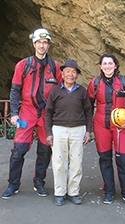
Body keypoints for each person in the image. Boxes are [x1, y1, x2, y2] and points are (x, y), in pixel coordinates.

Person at [2, 28, 62, 199]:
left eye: (45, 43)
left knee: (45, 150)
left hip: (46, 113)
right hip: (27, 111)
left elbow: (59, 91)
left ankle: (39, 182)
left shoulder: (54, 66)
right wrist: (14, 113)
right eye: (39, 42)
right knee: (18, 150)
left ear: (48, 45)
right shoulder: (23, 65)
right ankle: (13, 184)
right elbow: (15, 90)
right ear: (34, 44)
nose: (42, 45)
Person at [87, 53, 125, 208]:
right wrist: (88, 127)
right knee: (105, 159)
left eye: (110, 63)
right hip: (101, 125)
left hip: (121, 126)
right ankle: (109, 191)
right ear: (100, 66)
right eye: (104, 64)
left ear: (116, 65)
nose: (107, 66)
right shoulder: (95, 83)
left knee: (124, 160)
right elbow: (89, 105)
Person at [45, 59, 92, 206]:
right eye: (67, 71)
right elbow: (48, 113)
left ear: (77, 75)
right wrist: (49, 132)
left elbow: (88, 112)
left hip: (78, 129)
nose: (70, 74)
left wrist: (88, 131)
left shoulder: (82, 91)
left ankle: (73, 192)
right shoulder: (55, 91)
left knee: (76, 162)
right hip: (58, 129)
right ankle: (60, 192)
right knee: (59, 162)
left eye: (73, 72)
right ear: (62, 74)